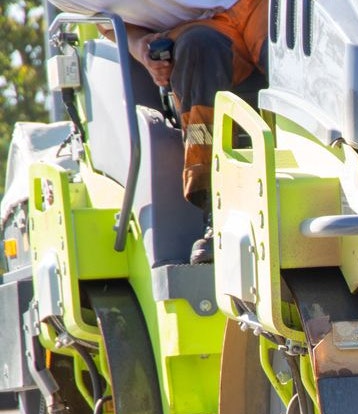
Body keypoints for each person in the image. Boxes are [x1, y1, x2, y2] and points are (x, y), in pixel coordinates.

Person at [50, 0, 267, 262]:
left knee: (287, 44)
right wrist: (141, 49)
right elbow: (112, 24)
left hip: (257, 6)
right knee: (196, 47)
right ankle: (217, 210)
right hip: (206, 31)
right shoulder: (76, 2)